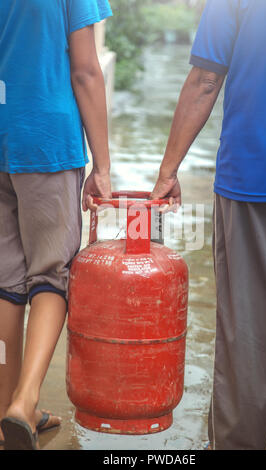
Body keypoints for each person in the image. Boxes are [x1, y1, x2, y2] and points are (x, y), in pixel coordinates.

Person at [151, 0, 266, 450]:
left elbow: (205, 79)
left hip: (255, 173)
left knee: (249, 323)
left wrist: (167, 171)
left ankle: (242, 442)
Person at [0, 0, 112, 450]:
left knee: (6, 282)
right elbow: (85, 70)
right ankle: (24, 402)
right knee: (51, 275)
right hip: (45, 136)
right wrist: (102, 167)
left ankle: (7, 408)